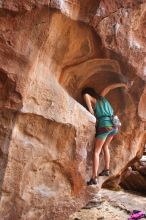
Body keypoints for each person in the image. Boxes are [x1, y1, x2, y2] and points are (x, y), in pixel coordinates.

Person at [82, 83, 128, 185]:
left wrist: (91, 110)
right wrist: (123, 84)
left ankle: (94, 177)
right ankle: (106, 169)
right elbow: (109, 87)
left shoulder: (88, 96)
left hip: (105, 124)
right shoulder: (102, 98)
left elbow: (90, 108)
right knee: (105, 147)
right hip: (114, 125)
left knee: (96, 152)